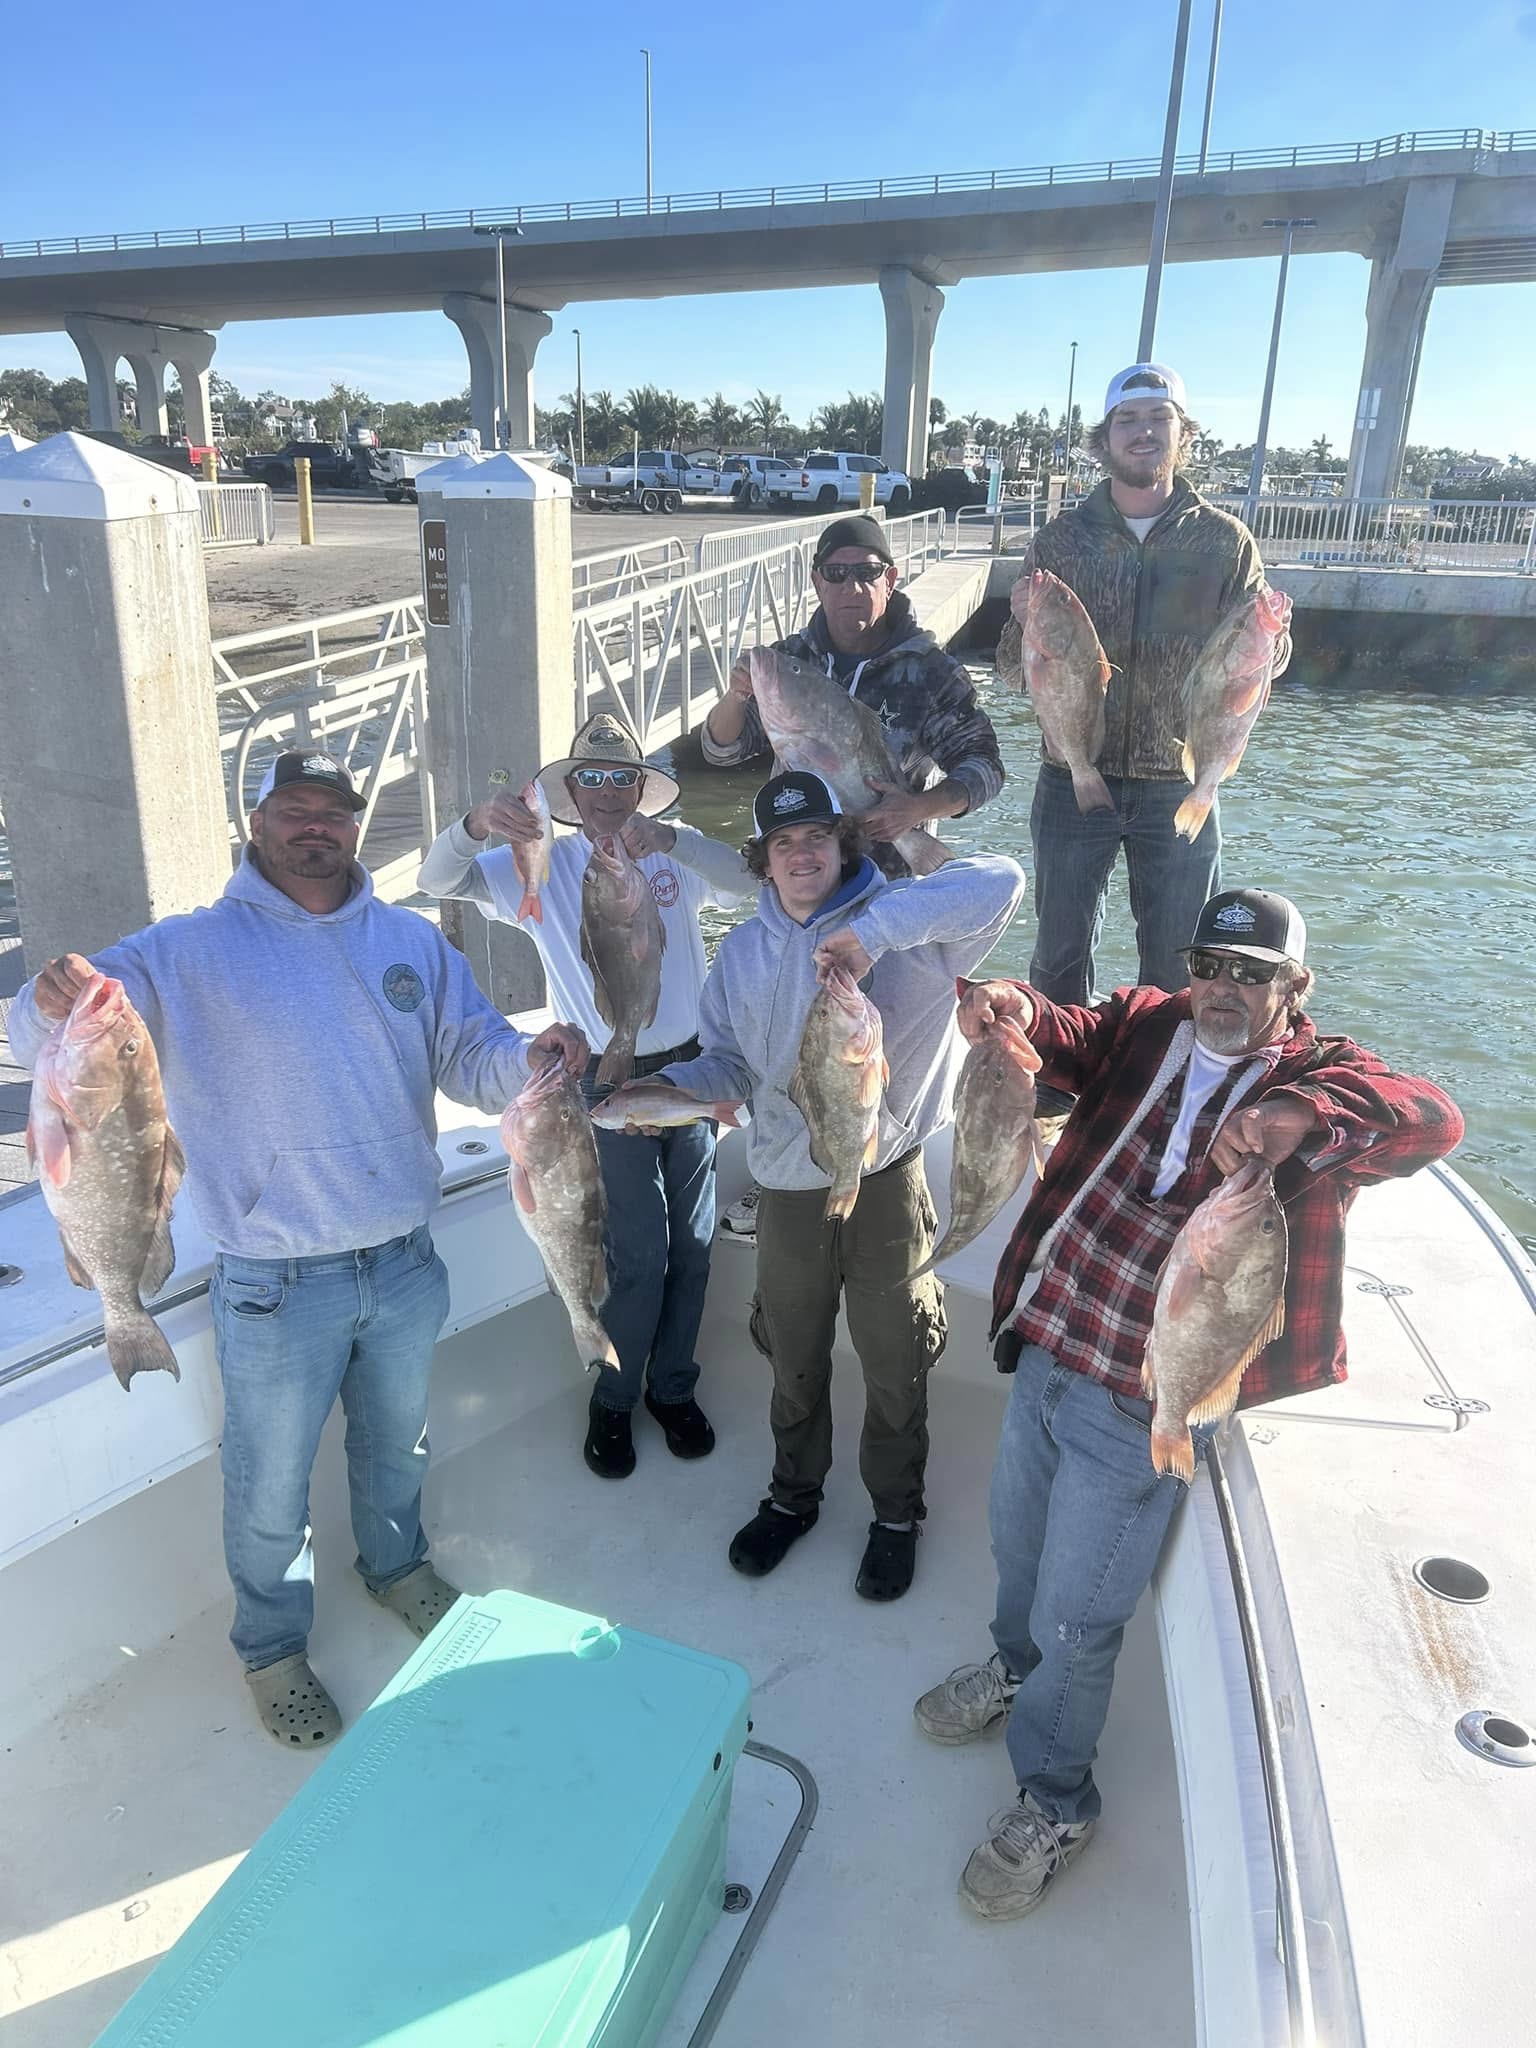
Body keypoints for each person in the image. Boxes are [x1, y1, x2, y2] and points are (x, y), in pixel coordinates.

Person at [10, 751, 587, 1748]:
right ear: (259, 820)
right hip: (273, 1283)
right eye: (296, 808)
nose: (318, 824)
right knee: (268, 1486)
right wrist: (49, 992)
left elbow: (475, 1053)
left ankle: (396, 1567)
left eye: (336, 809)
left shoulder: (411, 940)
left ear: (358, 827)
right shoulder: (184, 948)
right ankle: (272, 1648)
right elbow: (41, 1029)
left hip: (404, 1260)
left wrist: (528, 1060)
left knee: (397, 1447)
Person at [910, 888, 1463, 1920]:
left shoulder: (1316, 1076)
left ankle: (1056, 1796)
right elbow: (1063, 1032)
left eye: (1254, 974)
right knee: (1017, 1550)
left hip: (1143, 1397)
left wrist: (1301, 1118)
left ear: (1296, 988)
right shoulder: (1153, 1019)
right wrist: (1009, 1007)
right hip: (1047, 1346)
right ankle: (1009, 1663)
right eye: (1212, 962)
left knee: (1082, 1614)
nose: (1224, 986)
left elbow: (1434, 1117)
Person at [622, 769, 1024, 1603]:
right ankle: (792, 1496)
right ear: (763, 861)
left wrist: (874, 935)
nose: (801, 853)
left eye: (817, 837)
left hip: (881, 1177)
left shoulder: (917, 930)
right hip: (784, 1187)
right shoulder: (741, 951)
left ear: (846, 845)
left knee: (894, 1358)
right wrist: (668, 1095)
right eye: (782, 843)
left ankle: (895, 1515)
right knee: (793, 1357)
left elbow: (1004, 881)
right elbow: (729, 1060)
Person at [417, 713, 754, 1482]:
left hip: (691, 1074)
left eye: (622, 777)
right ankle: (612, 1398)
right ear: (570, 792)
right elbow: (437, 881)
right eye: (592, 778)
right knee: (636, 1252)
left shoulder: (671, 855)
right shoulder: (540, 866)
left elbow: (750, 880)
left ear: (642, 787)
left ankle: (672, 1388)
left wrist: (673, 841)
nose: (607, 792)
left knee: (694, 1246)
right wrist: (472, 826)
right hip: (604, 1076)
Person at [702, 510, 1006, 1241]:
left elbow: (986, 766)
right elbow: (718, 753)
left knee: (876, 1040)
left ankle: (888, 1174)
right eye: (835, 573)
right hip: (802, 879)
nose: (851, 586)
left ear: (890, 578)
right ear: (816, 581)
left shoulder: (930, 669)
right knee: (794, 1030)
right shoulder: (788, 659)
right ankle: (795, 1178)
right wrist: (741, 693)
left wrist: (916, 809)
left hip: (891, 888)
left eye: (866, 572)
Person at [997, 363, 1293, 1007]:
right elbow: (1008, 665)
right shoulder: (1059, 541)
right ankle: (1060, 1078)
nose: (1142, 434)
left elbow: (1267, 660)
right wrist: (1021, 621)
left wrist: (1274, 635)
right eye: (1127, 421)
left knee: (1179, 958)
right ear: (1103, 440)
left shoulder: (1225, 542)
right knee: (1059, 950)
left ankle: (1158, 1087)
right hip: (1070, 775)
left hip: (1180, 784)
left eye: (1159, 419)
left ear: (1183, 434)